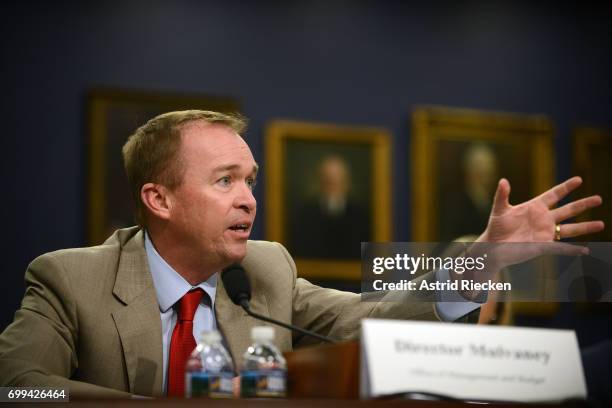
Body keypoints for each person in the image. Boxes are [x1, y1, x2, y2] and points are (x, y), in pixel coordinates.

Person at [0, 110, 604, 398]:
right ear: (158, 198)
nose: (248, 200)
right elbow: (22, 389)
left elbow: (375, 315)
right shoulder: (68, 278)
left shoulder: (266, 269)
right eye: (225, 181)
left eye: (251, 180)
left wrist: (487, 259)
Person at [290, 155, 370, 259]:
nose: (332, 182)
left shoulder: (360, 214)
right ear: (319, 180)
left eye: (337, 178)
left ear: (346, 181)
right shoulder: (304, 213)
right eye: (327, 178)